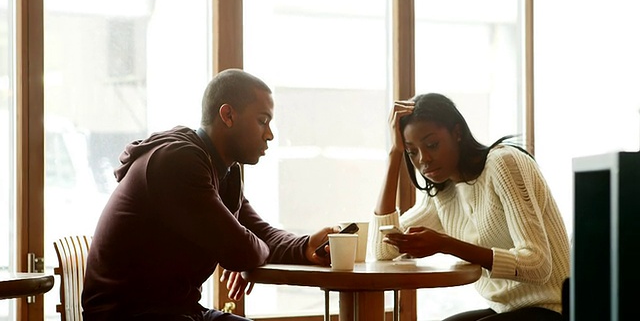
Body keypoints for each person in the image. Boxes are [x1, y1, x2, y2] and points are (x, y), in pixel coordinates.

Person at [82, 69, 337, 321]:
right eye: (262, 120)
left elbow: (256, 235)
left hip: (180, 311)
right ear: (227, 115)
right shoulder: (178, 162)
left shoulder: (225, 171)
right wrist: (246, 250)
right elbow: (242, 250)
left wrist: (305, 247)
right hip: (130, 315)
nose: (269, 134)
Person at [370, 93, 570, 321]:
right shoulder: (443, 193)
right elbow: (382, 249)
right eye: (412, 151)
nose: (424, 159)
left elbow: (538, 264)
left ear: (457, 133)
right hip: (504, 310)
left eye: (432, 145)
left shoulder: (504, 163)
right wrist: (394, 154)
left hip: (554, 310)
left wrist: (446, 244)